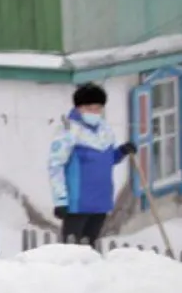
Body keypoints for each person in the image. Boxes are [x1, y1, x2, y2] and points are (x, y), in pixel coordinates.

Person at [49, 83, 137, 250]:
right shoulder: (68, 132)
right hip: (78, 203)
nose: (94, 113)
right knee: (71, 249)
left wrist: (122, 152)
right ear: (79, 107)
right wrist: (60, 199)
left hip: (101, 201)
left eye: (98, 109)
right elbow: (56, 166)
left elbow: (107, 160)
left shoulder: (105, 130)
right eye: (90, 108)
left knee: (91, 247)